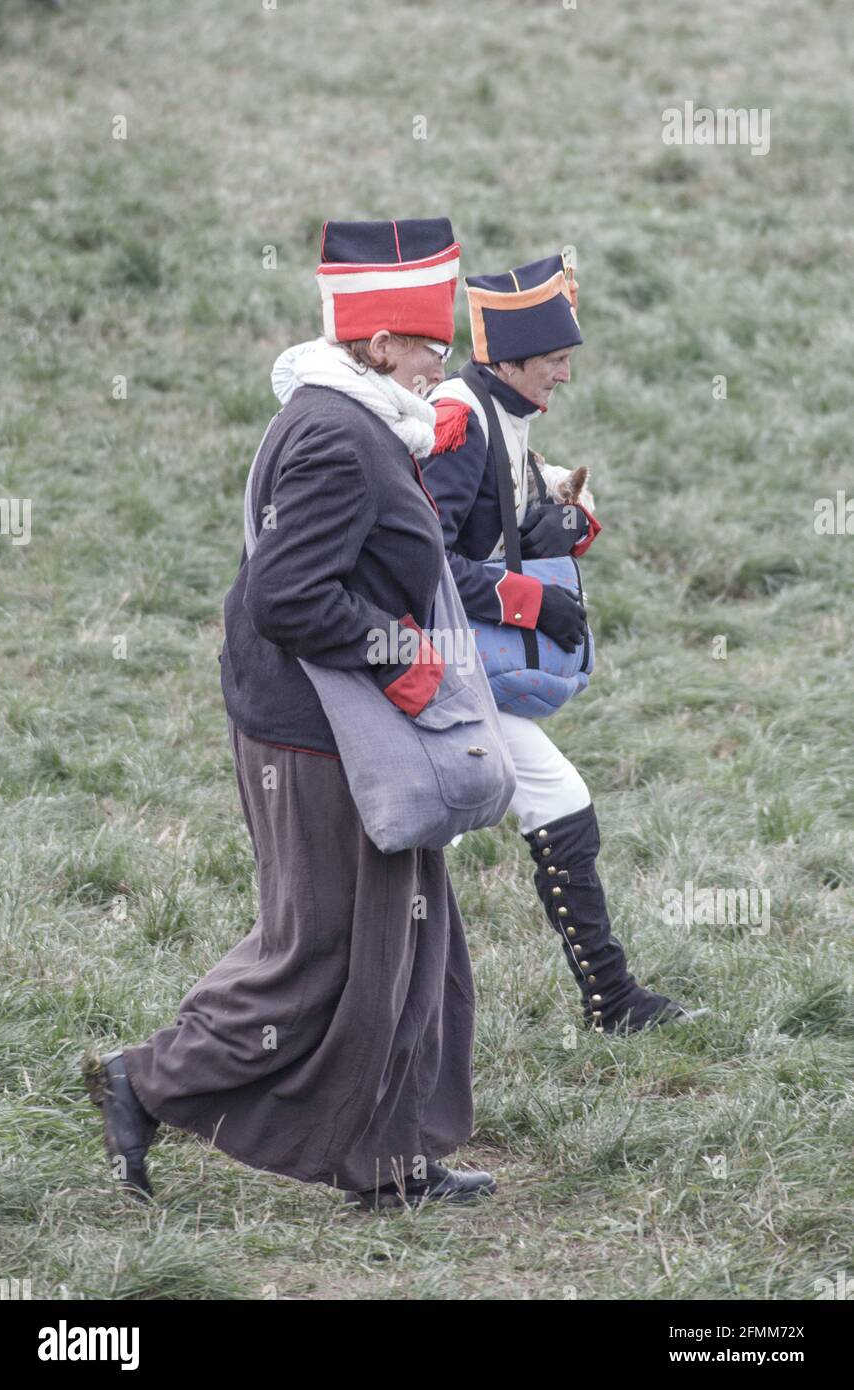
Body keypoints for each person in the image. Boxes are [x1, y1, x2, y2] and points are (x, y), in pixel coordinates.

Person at [83, 218, 496, 1210]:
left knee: (407, 941)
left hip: (346, 725)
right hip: (314, 735)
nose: (440, 357)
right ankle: (146, 1081)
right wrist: (401, 659)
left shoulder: (354, 418)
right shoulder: (335, 437)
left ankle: (391, 1163)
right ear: (374, 343)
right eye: (426, 340)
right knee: (316, 949)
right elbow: (285, 597)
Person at [422, 252, 702, 1033]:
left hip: (447, 662)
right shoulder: (461, 419)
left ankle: (608, 999)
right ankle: (611, 1001)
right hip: (423, 664)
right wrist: (529, 601)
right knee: (553, 800)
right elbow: (425, 565)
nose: (565, 377)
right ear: (507, 360)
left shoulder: (500, 415)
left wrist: (559, 529)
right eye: (554, 361)